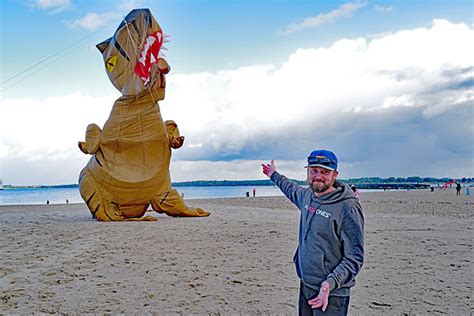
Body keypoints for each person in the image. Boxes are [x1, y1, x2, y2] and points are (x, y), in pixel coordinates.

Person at [262, 149, 364, 315]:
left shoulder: (348, 208)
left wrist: (329, 284)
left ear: (335, 175)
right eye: (314, 170)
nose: (318, 176)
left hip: (332, 292)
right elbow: (290, 188)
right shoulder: (308, 196)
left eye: (325, 172)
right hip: (306, 284)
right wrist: (273, 174)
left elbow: (355, 258)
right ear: (307, 172)